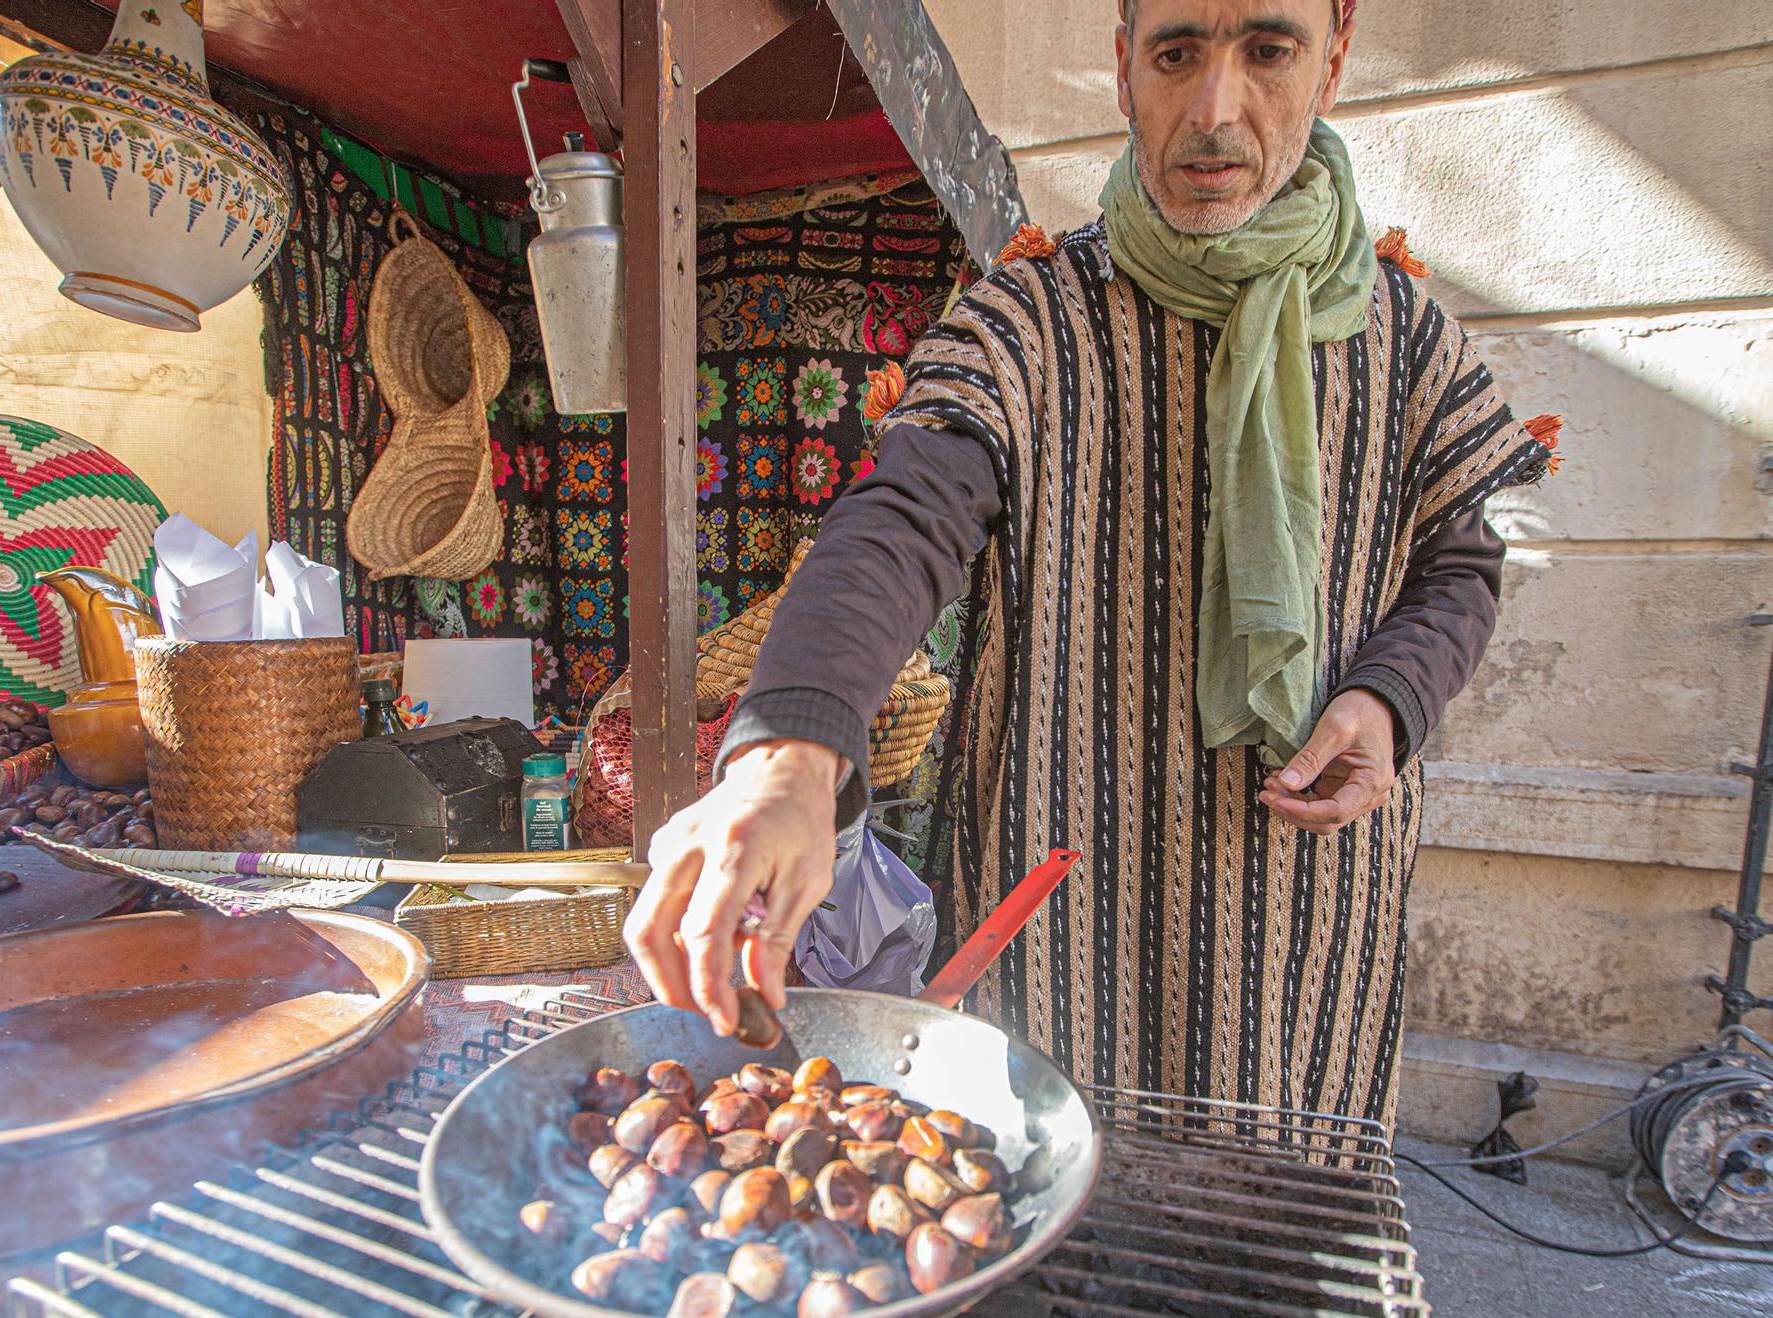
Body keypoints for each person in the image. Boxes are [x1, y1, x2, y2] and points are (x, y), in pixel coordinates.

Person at [625, 0, 1551, 1124]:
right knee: (1042, 1223)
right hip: (1055, 911)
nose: (1214, 109)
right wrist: (789, 755)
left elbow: (1464, 561)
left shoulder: (1410, 340)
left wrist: (1390, 697)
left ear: (1333, 58)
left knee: (1277, 1245)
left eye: (1266, 50)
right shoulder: (1025, 320)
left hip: (1308, 915)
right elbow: (904, 514)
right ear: (1122, 70)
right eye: (1176, 53)